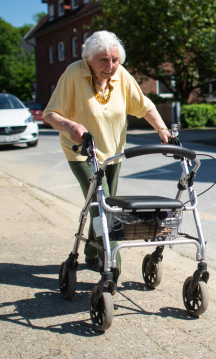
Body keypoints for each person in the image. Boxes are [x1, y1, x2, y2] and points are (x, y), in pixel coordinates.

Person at [43, 30, 172, 276]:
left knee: (103, 202)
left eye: (115, 60)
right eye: (104, 60)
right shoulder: (73, 74)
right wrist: (70, 126)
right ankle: (113, 267)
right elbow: (50, 114)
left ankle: (92, 252)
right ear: (88, 58)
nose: (110, 66)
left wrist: (163, 130)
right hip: (82, 152)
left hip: (113, 154)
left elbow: (144, 106)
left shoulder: (121, 75)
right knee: (105, 207)